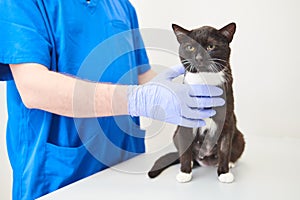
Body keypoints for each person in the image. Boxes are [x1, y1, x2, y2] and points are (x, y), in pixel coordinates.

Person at [0, 0, 224, 199]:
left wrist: (187, 93)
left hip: (125, 165)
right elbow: (34, 88)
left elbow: (142, 76)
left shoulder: (121, 5)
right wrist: (137, 99)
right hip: (59, 176)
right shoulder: (21, 3)